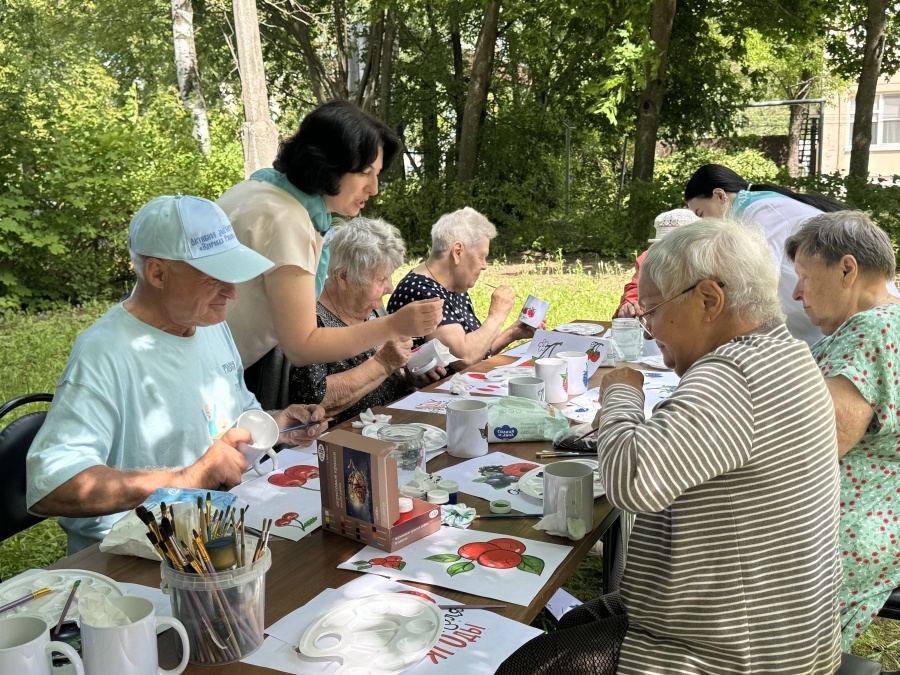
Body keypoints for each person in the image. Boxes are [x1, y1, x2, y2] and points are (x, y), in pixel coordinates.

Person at [497, 219, 841, 675]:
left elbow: (632, 481)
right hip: (779, 624)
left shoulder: (732, 375)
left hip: (739, 651)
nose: (649, 328)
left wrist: (621, 393)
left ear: (709, 300)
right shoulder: (783, 353)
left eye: (651, 312)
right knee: (577, 620)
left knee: (524, 668)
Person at [26, 196, 328, 554]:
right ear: (156, 273)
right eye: (213, 278)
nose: (231, 293)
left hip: (209, 533)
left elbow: (229, 423)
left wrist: (278, 423)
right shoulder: (105, 352)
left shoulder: (208, 324)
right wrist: (185, 479)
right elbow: (52, 485)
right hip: (128, 555)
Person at [217, 100, 443, 390]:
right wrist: (394, 325)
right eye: (364, 172)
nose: (373, 188)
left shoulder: (258, 192)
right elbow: (302, 345)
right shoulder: (286, 218)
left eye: (377, 174)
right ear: (326, 164)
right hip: (201, 377)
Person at [785, 211, 900, 649]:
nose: (796, 294)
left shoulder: (870, 330)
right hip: (877, 518)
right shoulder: (892, 321)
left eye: (804, 277)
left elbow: (811, 449)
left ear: (847, 269)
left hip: (838, 538)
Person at [289, 217, 445, 424]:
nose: (390, 287)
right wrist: (383, 364)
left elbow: (386, 374)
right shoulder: (312, 321)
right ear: (344, 277)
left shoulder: (373, 307)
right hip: (351, 441)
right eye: (381, 279)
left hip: (401, 423)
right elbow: (313, 399)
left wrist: (411, 374)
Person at [683, 163, 853, 345]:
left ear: (719, 195)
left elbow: (755, 282)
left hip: (844, 321)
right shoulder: (757, 209)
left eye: (701, 214)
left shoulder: (762, 211)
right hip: (824, 321)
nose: (703, 223)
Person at [386, 207, 535, 370]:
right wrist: (497, 315)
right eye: (481, 257)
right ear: (457, 252)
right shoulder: (421, 292)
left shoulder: (453, 286)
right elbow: (463, 357)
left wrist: (513, 332)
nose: (484, 266)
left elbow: (479, 351)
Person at [614, 208, 698, 318]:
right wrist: (629, 305)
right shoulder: (648, 259)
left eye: (675, 247)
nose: (668, 252)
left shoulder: (710, 264)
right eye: (663, 246)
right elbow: (636, 287)